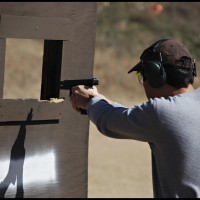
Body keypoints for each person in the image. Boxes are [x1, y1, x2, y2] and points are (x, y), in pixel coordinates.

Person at [69, 38, 200, 198]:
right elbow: (135, 116)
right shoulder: (171, 112)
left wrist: (89, 102)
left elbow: (108, 121)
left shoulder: (161, 113)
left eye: (141, 74)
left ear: (155, 75)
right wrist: (100, 99)